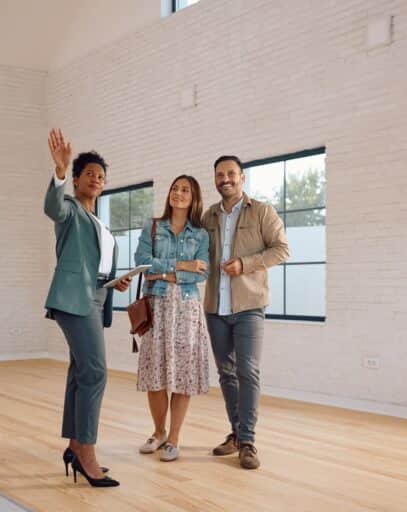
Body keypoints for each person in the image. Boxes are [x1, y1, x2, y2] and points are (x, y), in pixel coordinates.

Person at [44, 128, 131, 487]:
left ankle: (75, 444)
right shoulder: (68, 210)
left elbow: (97, 268)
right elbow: (51, 207)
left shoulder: (100, 223)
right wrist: (59, 172)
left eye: (101, 176)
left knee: (81, 372)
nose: (96, 179)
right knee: (96, 373)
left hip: (96, 296)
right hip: (73, 299)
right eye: (89, 174)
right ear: (77, 179)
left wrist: (115, 282)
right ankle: (88, 453)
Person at [202, 155, 289, 470]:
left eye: (230, 173)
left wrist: (245, 264)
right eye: (219, 174)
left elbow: (282, 248)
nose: (224, 178)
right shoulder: (208, 217)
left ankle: (248, 441)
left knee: (247, 372)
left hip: (250, 305)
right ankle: (237, 434)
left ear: (242, 178)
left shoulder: (262, 211)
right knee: (226, 374)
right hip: (215, 308)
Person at [133, 175, 210, 462]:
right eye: (175, 189)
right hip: (157, 306)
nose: (178, 193)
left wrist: (162, 271)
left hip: (187, 309)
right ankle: (158, 431)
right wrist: (181, 265)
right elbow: (142, 262)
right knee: (156, 375)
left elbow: (202, 273)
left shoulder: (201, 235)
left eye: (185, 190)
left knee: (183, 375)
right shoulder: (152, 227)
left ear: (194, 197)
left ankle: (174, 437)